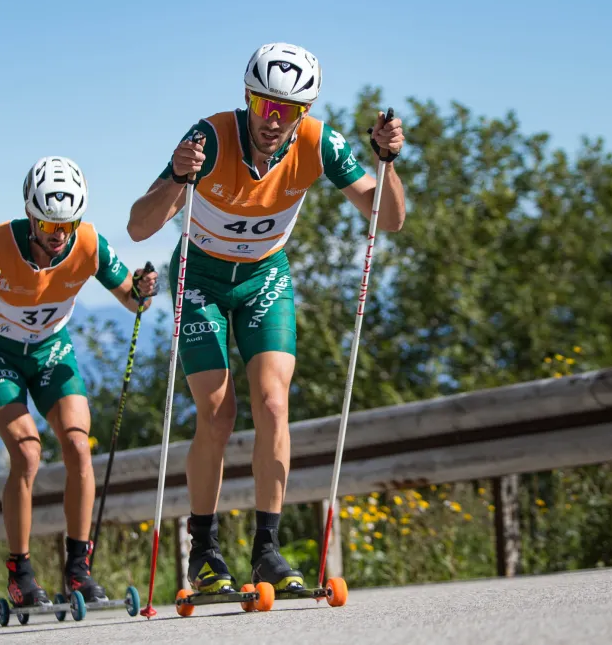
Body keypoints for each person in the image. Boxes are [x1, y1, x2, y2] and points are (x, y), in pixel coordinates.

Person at [126, 42, 406, 594]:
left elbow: (388, 218)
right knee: (218, 411)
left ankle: (267, 550)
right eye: (264, 104)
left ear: (303, 111)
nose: (274, 120)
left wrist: (389, 163)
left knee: (274, 402)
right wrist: (176, 180)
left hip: (263, 276)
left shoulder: (319, 141)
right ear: (247, 98)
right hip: (201, 277)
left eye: (289, 109)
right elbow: (138, 228)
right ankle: (202, 549)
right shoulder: (209, 137)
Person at [0, 156, 159, 610]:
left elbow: (133, 302)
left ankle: (78, 569)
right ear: (29, 214)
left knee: (79, 446)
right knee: (27, 453)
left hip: (50, 352)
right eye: (47, 224)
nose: (58, 235)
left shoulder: (90, 243)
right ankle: (20, 573)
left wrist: (143, 288)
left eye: (67, 224)